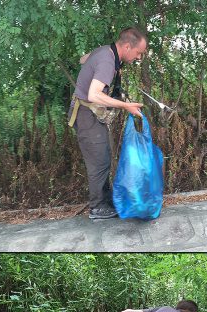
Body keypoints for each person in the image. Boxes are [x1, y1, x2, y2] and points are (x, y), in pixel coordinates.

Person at [68, 27, 146, 219]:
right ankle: (97, 208)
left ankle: (105, 200)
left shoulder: (106, 52)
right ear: (127, 47)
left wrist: (93, 60)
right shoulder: (107, 60)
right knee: (99, 162)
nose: (139, 58)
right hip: (86, 114)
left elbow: (83, 59)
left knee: (102, 156)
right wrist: (125, 105)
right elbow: (93, 94)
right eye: (138, 53)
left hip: (90, 114)